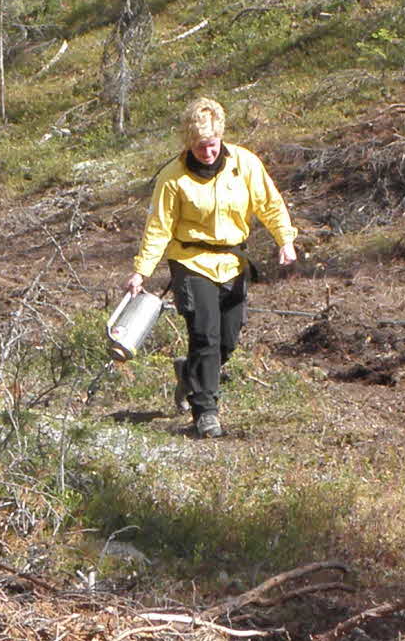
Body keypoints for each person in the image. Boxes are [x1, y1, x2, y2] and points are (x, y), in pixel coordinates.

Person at [123, 97, 297, 438]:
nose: (208, 152)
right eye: (200, 146)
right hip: (191, 262)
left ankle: (188, 371)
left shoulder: (245, 164)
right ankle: (206, 412)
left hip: (232, 261)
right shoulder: (173, 178)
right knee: (204, 333)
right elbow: (158, 228)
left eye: (213, 144)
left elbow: (270, 204)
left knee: (227, 341)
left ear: (221, 137)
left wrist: (285, 240)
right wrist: (141, 271)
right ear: (189, 143)